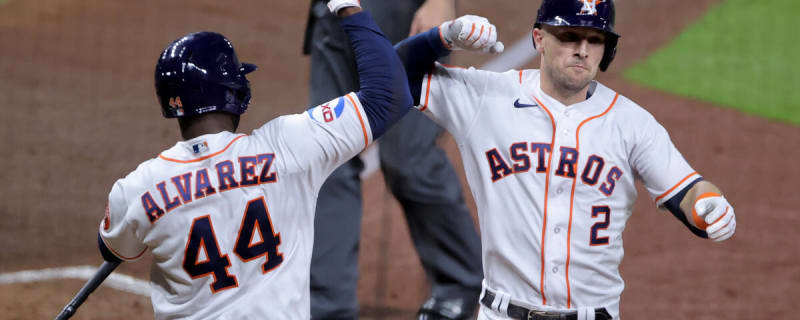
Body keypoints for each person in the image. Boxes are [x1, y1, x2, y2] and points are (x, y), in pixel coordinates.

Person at [393, 0, 737, 319]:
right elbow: (392, 72)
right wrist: (441, 38)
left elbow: (686, 188)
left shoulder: (632, 123)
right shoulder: (486, 98)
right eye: (570, 36)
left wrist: (707, 205)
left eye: (595, 39)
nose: (583, 51)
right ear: (539, 39)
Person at [96, 1, 413, 319]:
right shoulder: (289, 147)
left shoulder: (135, 190)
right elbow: (389, 94)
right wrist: (349, 7)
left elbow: (114, 248)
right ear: (233, 92)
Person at [303, 0, 483, 319]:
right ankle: (327, 306)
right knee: (328, 158)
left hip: (405, 12)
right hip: (336, 11)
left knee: (409, 159)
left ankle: (462, 287)